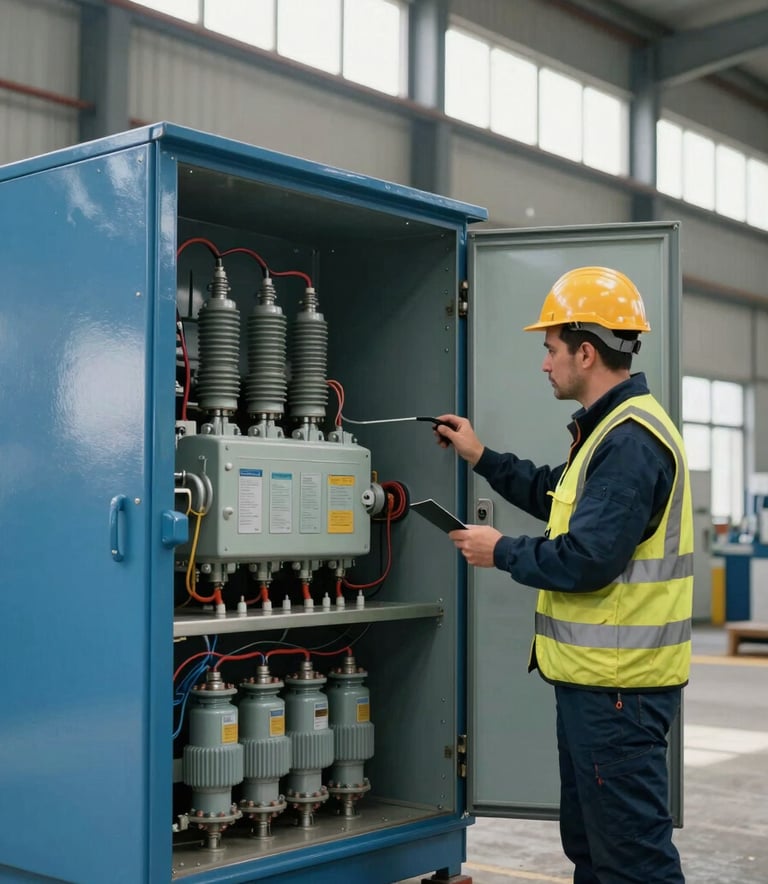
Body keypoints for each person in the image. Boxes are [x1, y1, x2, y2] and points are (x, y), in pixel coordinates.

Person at [435, 266, 693, 884]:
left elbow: (586, 559)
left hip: (618, 693)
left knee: (632, 862)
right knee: (594, 851)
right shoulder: (609, 431)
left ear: (586, 350)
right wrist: (482, 457)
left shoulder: (630, 442)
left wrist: (500, 550)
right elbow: (559, 494)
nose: (544, 364)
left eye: (550, 350)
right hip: (600, 688)